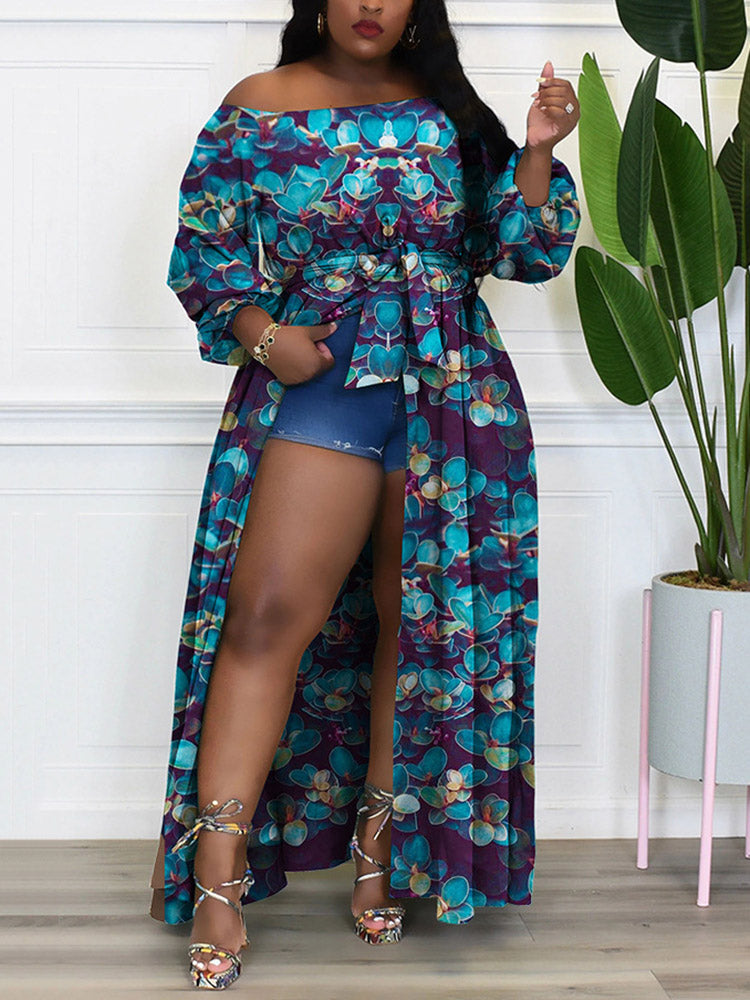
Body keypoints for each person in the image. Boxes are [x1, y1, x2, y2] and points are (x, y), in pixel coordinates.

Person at [148, 0, 581, 990]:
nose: (370, 4)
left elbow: (519, 251)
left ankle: (381, 852)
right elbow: (205, 251)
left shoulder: (449, 109)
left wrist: (536, 151)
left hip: (455, 392)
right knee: (266, 616)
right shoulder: (259, 104)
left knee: (415, 624)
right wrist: (267, 340)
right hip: (323, 387)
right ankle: (217, 873)